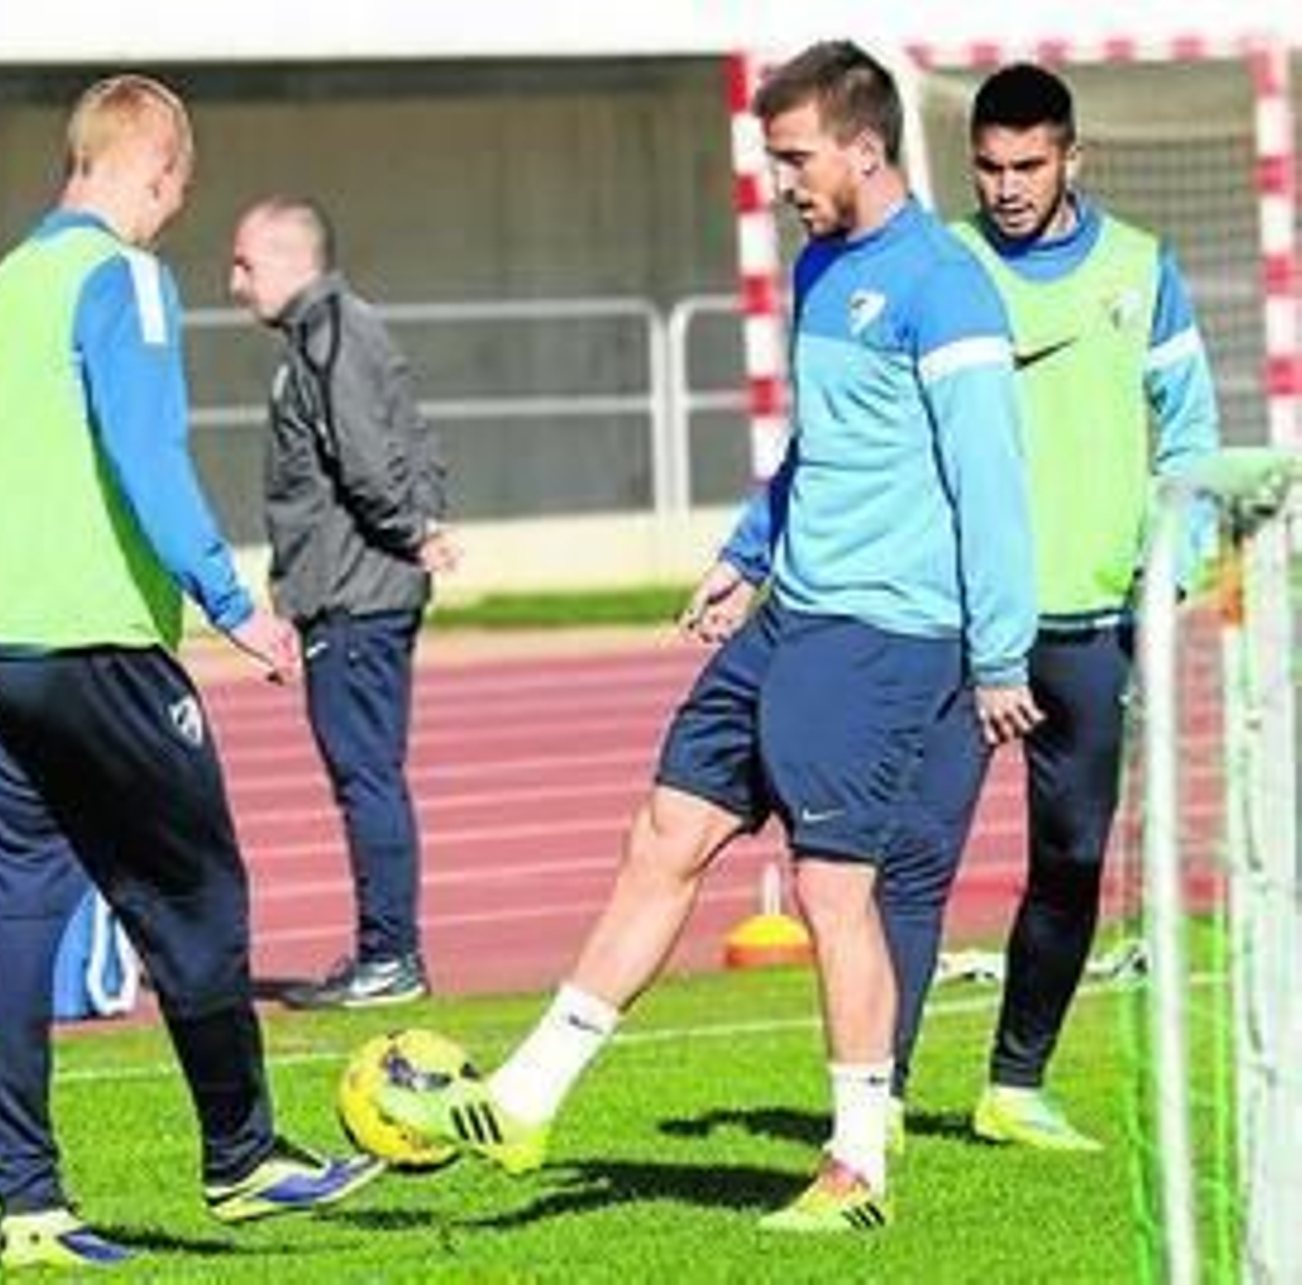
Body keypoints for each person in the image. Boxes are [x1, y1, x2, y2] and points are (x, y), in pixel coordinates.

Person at [380, 41, 1041, 1232]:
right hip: (788, 611)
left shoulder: (946, 284)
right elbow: (816, 450)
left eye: (794, 157)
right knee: (664, 830)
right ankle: (528, 1097)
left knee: (837, 891)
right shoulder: (821, 268)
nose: (780, 180)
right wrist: (746, 555)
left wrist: (998, 653)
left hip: (884, 632)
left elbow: (991, 478)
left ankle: (855, 1169)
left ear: (863, 147)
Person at [0, 76, 379, 1271]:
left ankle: (30, 1209)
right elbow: (145, 448)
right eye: (175, 193)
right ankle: (243, 1156)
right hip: (87, 636)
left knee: (14, 918)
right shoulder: (125, 278)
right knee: (197, 897)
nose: (170, 219)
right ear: (153, 169)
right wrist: (230, 603)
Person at [883, 62, 1220, 1151]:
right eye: (987, 167)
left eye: (1028, 164)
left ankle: (1013, 1085)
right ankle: (872, 1093)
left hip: (1089, 628)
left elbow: (1193, 433)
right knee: (915, 855)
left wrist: (1168, 573)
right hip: (958, 628)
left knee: (1069, 859)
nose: (1007, 186)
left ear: (1074, 156)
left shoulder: (1139, 268)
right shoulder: (943, 264)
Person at [228, 196, 456, 1010]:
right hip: (349, 590)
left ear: (294, 259)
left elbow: (370, 461)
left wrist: (411, 529)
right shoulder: (331, 333)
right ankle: (387, 950)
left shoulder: (331, 335)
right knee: (367, 774)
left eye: (246, 263)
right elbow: (413, 443)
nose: (234, 282)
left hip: (358, 597)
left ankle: (389, 954)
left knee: (367, 776)